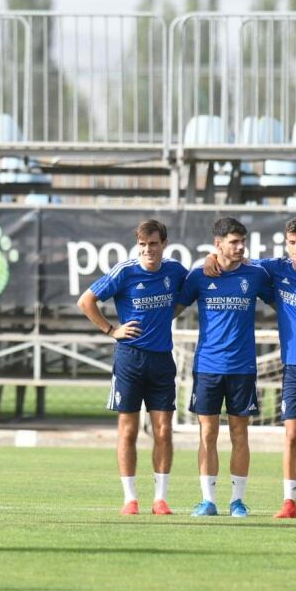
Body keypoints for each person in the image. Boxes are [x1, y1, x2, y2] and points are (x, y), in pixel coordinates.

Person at [205, 216, 296, 519]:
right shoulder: (275, 268)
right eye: (292, 242)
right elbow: (236, 258)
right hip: (294, 367)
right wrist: (210, 256)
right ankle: (289, 502)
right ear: (286, 243)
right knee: (293, 435)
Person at [77, 220, 188, 516]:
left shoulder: (175, 271)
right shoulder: (125, 271)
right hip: (130, 360)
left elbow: (190, 293)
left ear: (164, 244)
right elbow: (86, 301)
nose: (148, 250)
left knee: (163, 430)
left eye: (153, 244)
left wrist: (168, 315)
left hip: (162, 360)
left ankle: (160, 498)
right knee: (128, 430)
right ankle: (130, 498)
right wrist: (111, 329)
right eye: (143, 245)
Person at [174, 217, 273, 517]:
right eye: (234, 242)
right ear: (217, 244)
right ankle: (208, 501)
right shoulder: (198, 276)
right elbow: (173, 310)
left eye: (243, 241)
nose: (240, 247)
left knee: (239, 433)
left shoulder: (255, 274)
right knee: (207, 433)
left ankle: (237, 501)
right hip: (207, 366)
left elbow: (282, 302)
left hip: (242, 367)